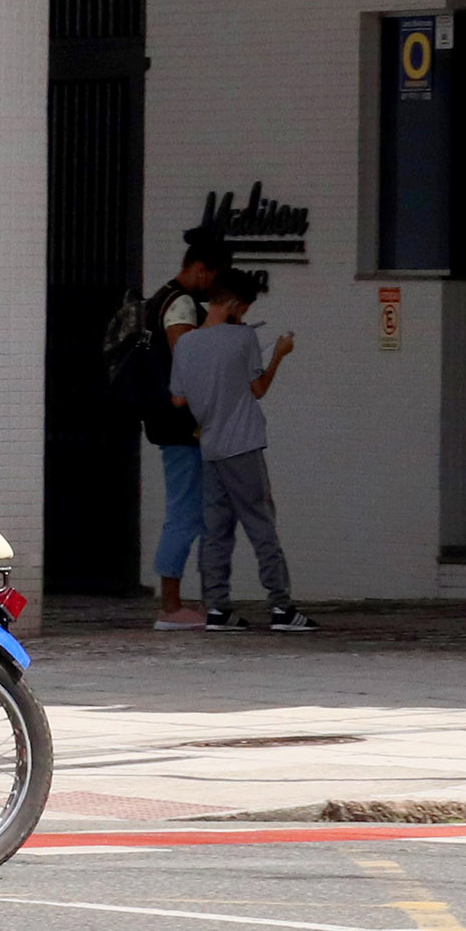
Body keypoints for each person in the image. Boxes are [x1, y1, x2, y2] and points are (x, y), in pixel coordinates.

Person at [167, 268, 319, 633]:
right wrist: (279, 353)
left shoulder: (186, 343)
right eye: (245, 307)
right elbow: (259, 388)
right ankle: (281, 608)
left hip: (211, 446)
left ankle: (218, 608)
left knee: (216, 530)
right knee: (261, 523)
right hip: (244, 445)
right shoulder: (242, 339)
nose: (246, 315)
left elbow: (178, 398)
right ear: (234, 304)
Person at [136, 232, 234, 629]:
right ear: (200, 270)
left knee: (189, 510)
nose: (217, 287)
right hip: (180, 427)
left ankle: (177, 603)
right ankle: (172, 606)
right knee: (185, 512)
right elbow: (188, 361)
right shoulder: (180, 305)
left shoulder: (161, 296)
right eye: (215, 277)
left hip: (170, 423)